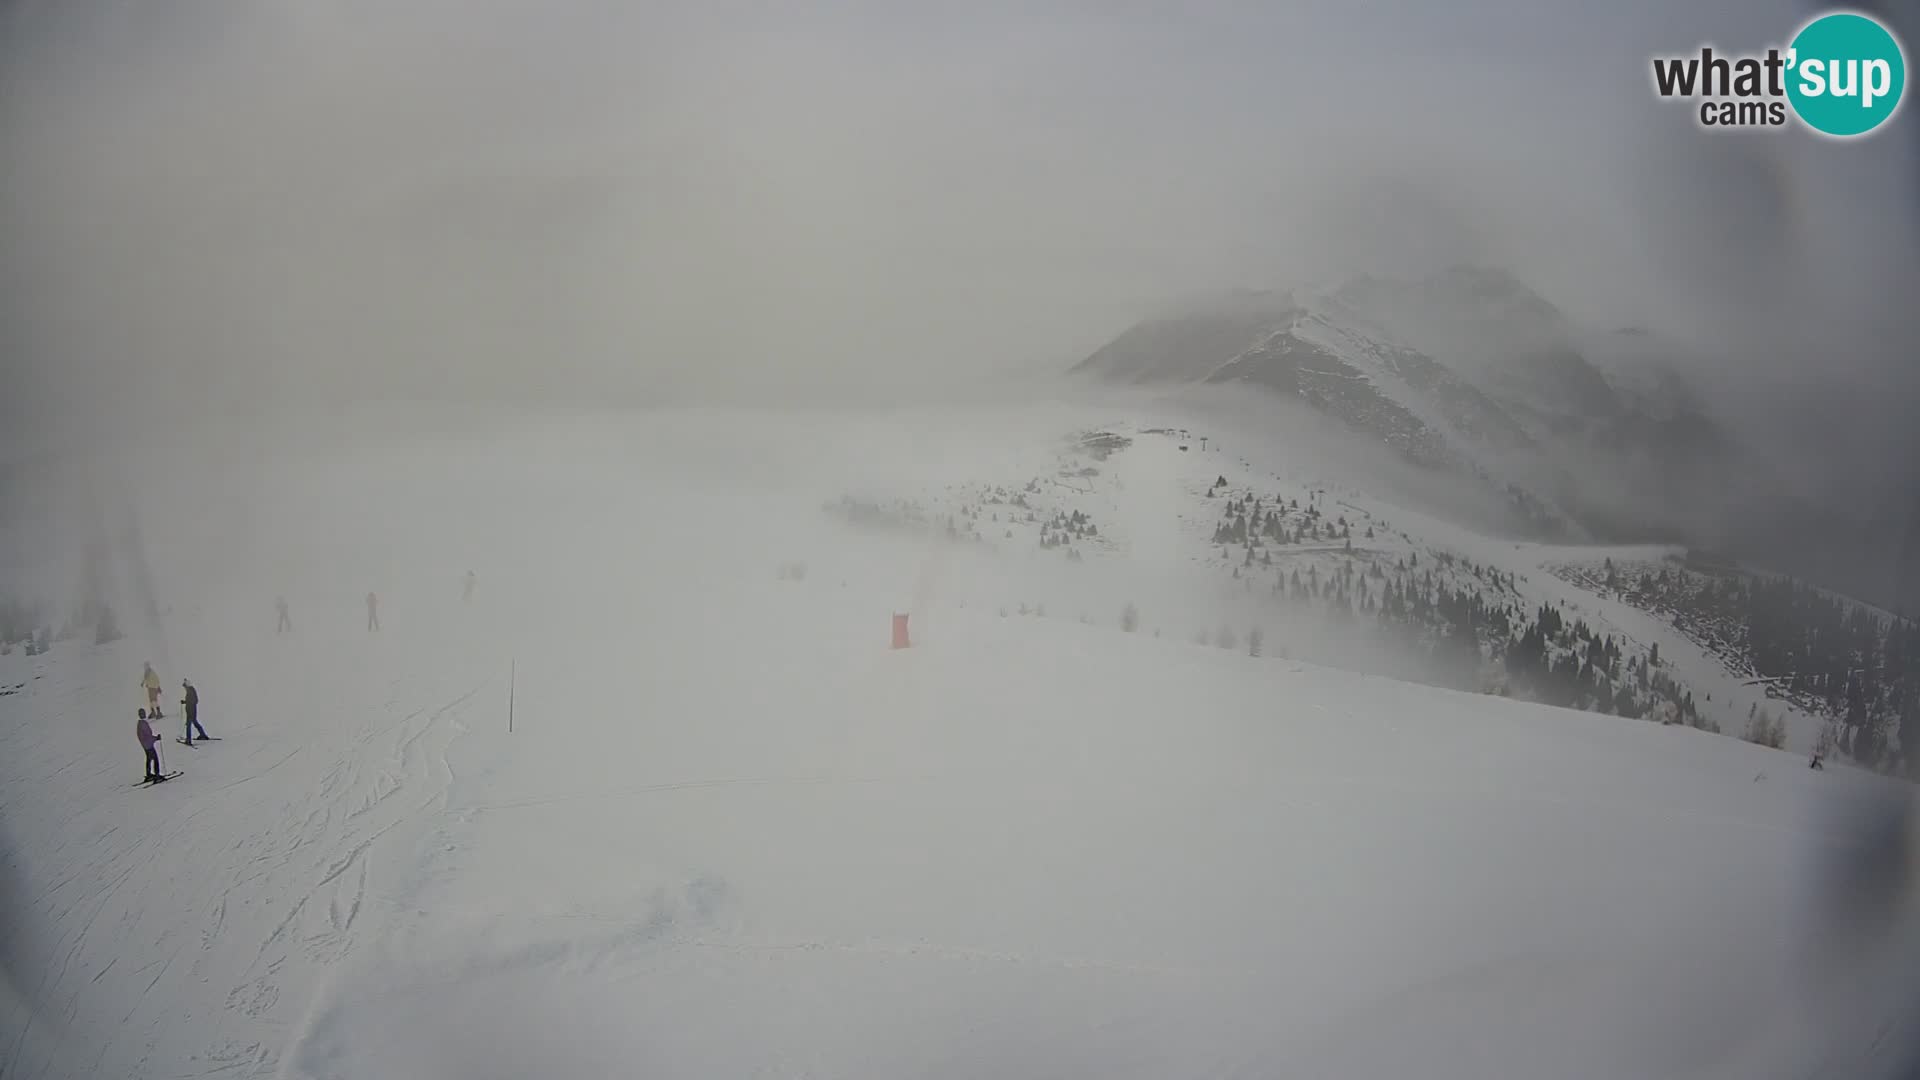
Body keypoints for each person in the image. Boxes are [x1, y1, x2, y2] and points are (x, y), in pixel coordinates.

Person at [137, 708, 164, 782]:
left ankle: (149, 774)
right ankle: (157, 775)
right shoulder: (143, 724)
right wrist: (156, 738)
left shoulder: (140, 724)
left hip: (145, 745)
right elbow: (148, 736)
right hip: (148, 745)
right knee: (155, 759)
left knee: (149, 759)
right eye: (143, 713)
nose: (144, 714)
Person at [181, 679, 209, 744]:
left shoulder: (190, 691)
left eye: (185, 686)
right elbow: (193, 701)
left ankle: (188, 740)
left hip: (191, 712)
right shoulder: (191, 690)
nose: (184, 688)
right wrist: (185, 702)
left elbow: (192, 702)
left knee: (188, 726)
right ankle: (203, 735)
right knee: (195, 723)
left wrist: (189, 713)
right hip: (192, 711)